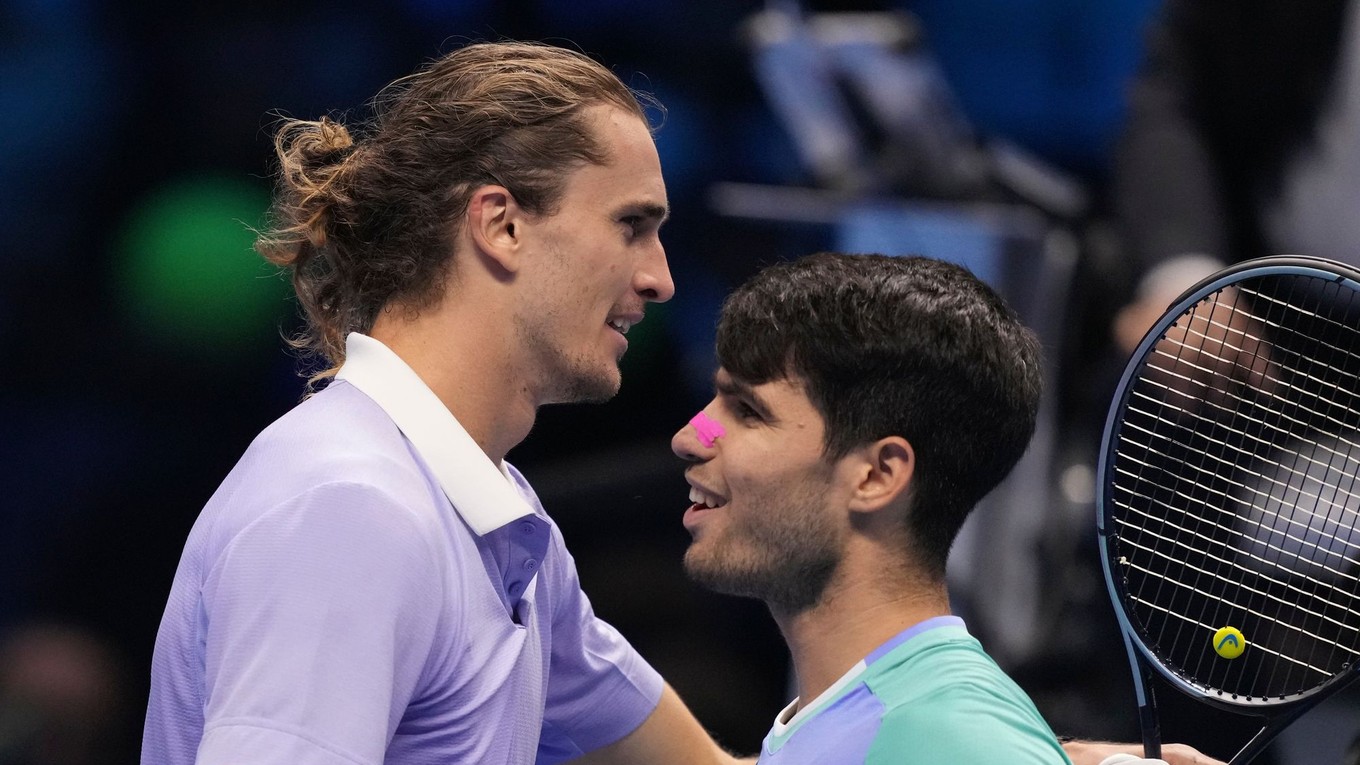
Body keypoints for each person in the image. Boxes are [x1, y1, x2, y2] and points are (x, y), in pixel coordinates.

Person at [140, 40, 743, 764]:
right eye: (631, 225)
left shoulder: (500, 514)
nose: (660, 279)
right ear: (502, 224)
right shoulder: (350, 509)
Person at [670, 252, 1222, 765]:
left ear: (878, 475)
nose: (691, 436)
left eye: (747, 411)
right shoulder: (913, 728)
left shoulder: (952, 740)